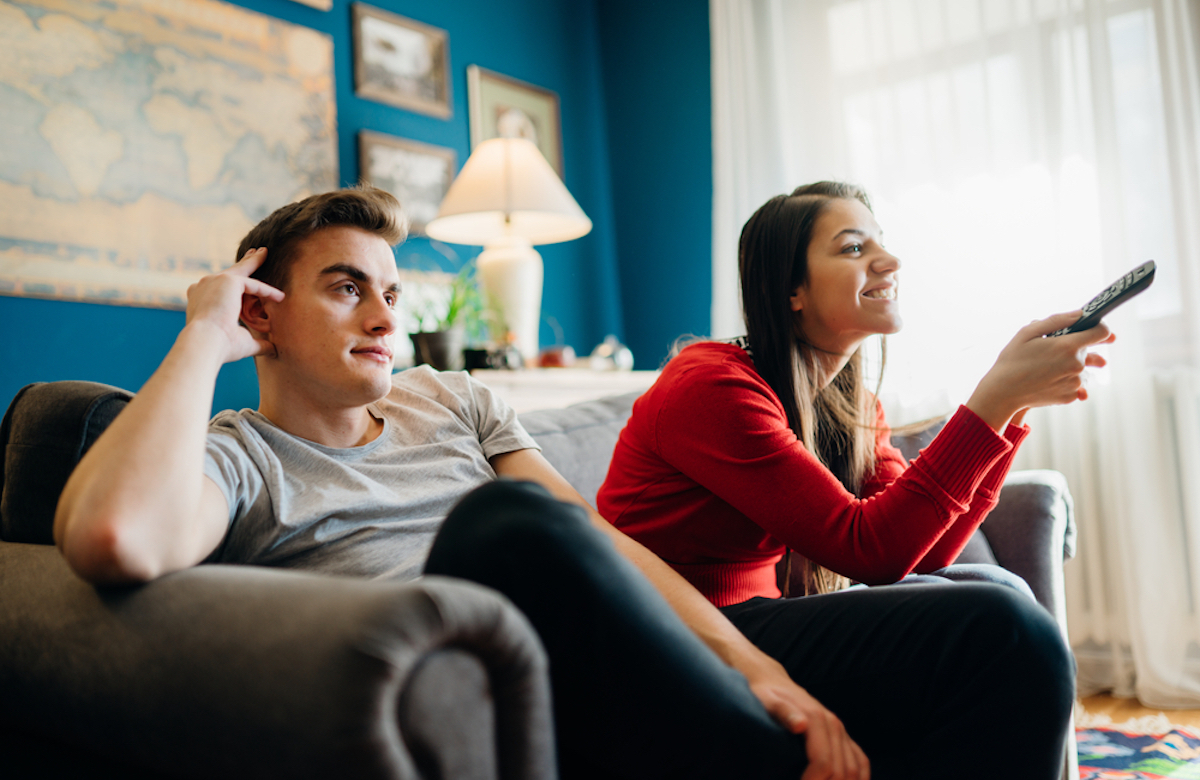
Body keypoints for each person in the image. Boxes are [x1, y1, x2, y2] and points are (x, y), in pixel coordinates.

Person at [51, 186, 866, 780]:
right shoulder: (239, 458)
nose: (383, 319)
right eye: (346, 288)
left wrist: (750, 663)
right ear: (258, 316)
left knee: (988, 620)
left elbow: (600, 547)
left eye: (391, 294)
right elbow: (113, 537)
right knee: (509, 522)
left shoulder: (452, 397)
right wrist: (202, 334)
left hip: (593, 655)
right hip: (485, 687)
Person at [598, 181, 1110, 778]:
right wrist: (991, 405)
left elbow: (925, 555)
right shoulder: (710, 388)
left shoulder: (851, 406)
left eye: (882, 244)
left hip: (749, 624)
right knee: (1007, 632)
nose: (888, 262)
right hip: (670, 643)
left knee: (997, 589)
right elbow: (870, 550)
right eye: (851, 248)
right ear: (790, 289)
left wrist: (1012, 412)